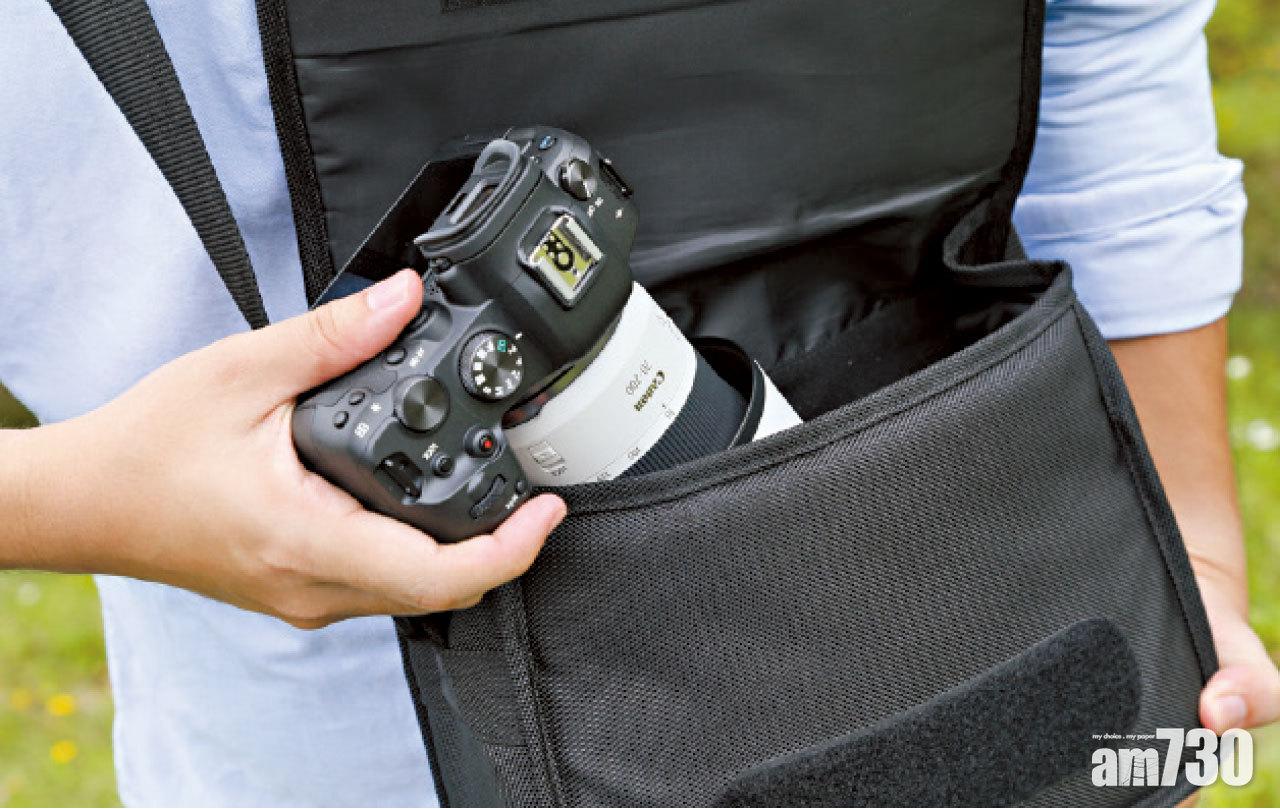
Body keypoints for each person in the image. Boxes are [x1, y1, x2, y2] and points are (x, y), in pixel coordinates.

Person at [1, 0, 1276, 804]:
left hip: (992, 615)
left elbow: (1103, 33)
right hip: (342, 729)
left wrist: (1190, 551)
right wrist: (87, 498)